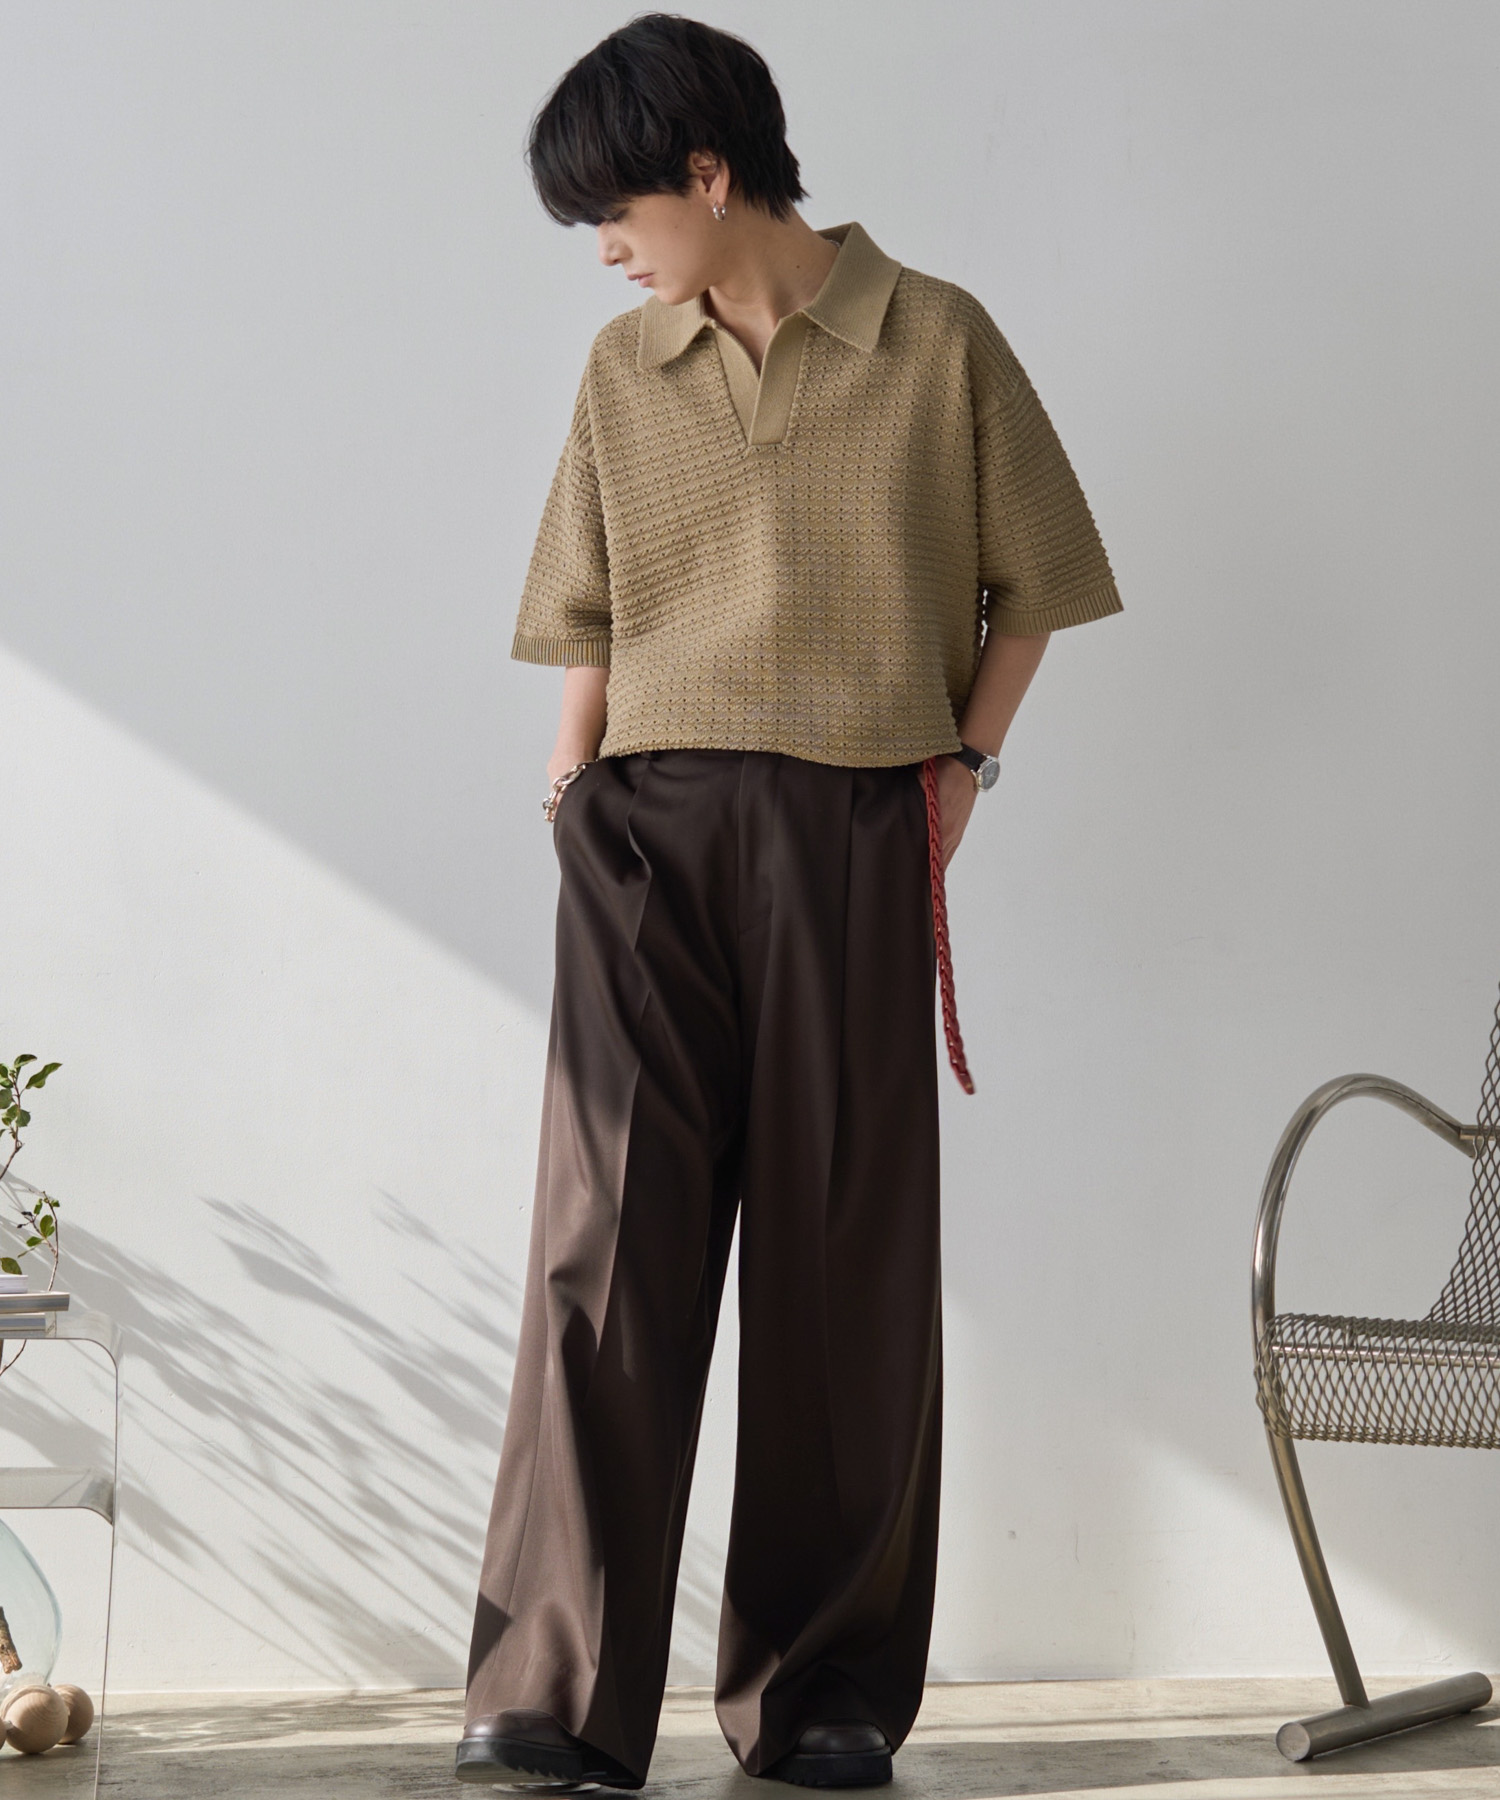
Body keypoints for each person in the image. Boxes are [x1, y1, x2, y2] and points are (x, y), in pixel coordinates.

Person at [457, 13, 1121, 1790]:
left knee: (842, 1256)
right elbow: (588, 613)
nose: (605, 249)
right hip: (645, 837)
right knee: (606, 1245)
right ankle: (552, 1690)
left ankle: (821, 1689)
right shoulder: (625, 367)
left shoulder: (937, 340)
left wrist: (961, 774)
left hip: (852, 824)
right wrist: (569, 788)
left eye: (616, 211)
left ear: (708, 169)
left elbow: (1038, 582)